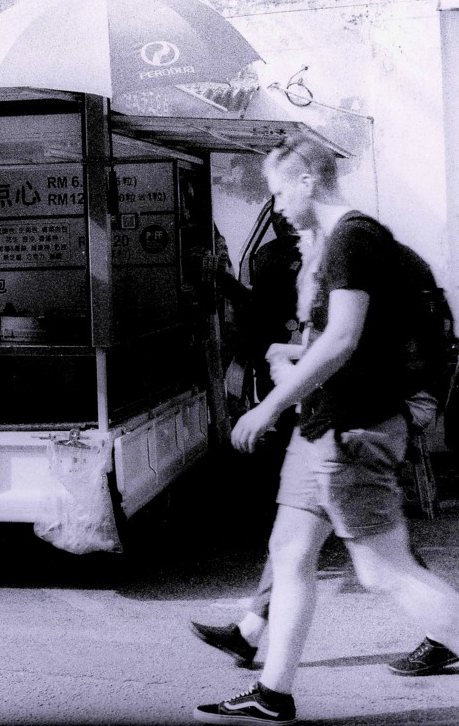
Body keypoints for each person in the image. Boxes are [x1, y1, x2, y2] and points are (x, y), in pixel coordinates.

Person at [193, 135, 459, 725]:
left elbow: (342, 339)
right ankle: (272, 694)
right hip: (321, 428)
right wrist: (293, 357)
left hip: (351, 430)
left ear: (308, 181)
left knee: (383, 570)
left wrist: (267, 407)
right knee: (289, 553)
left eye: (280, 192)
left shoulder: (352, 239)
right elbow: (351, 340)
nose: (278, 207)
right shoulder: (334, 243)